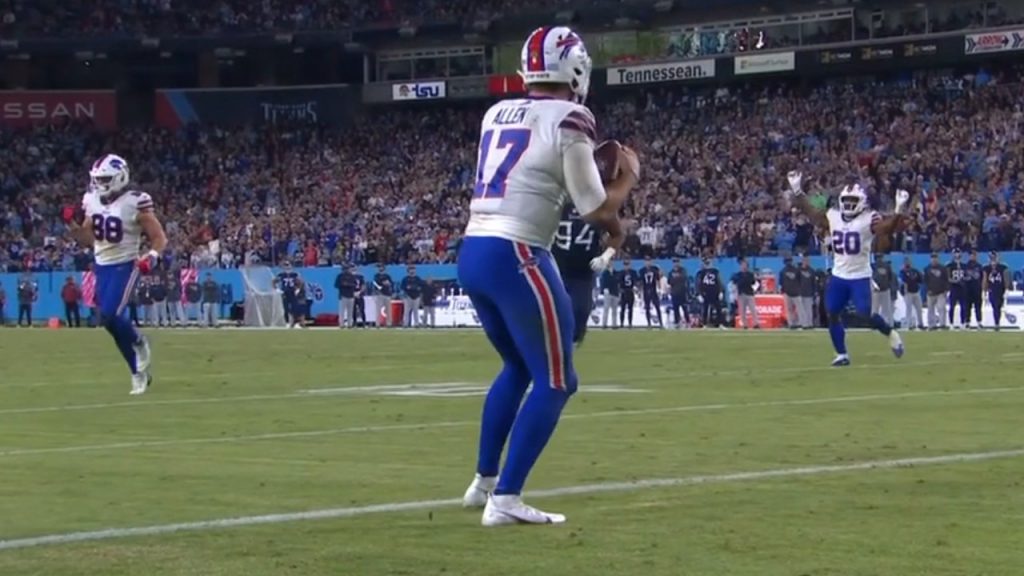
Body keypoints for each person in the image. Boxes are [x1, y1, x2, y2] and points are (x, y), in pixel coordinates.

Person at [457, 25, 638, 526]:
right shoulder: (572, 116)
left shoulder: (497, 112)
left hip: (474, 248)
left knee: (518, 368)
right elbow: (596, 210)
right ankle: (506, 500)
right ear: (576, 69)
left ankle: (483, 482)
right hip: (518, 251)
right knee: (558, 381)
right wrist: (627, 178)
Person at [65, 154, 166, 395]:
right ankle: (137, 372)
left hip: (125, 264)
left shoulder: (136, 201)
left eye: (106, 179)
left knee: (110, 316)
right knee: (108, 323)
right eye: (98, 179)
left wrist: (151, 257)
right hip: (102, 266)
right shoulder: (91, 200)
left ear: (120, 177)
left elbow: (159, 237)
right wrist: (72, 225)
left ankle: (140, 342)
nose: (100, 184)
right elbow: (90, 240)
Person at [786, 171, 904, 366]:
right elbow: (813, 214)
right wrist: (797, 191)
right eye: (846, 199)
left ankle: (890, 332)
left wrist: (899, 210)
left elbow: (887, 229)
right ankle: (841, 354)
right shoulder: (834, 216)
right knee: (832, 312)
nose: (849, 204)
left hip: (860, 275)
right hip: (839, 275)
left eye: (853, 200)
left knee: (865, 314)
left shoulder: (869, 218)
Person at [552, 205, 611, 344]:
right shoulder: (557, 206)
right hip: (557, 268)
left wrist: (606, 255)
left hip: (583, 271)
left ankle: (571, 341)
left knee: (581, 311)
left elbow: (617, 233)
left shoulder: (599, 207)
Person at [983, 251, 1009, 330]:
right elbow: (985, 279)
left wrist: (1007, 289)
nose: (993, 259)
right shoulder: (986, 268)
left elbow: (1005, 278)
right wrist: (984, 290)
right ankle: (996, 323)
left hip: (1000, 289)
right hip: (992, 289)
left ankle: (997, 322)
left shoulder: (1002, 267)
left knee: (998, 306)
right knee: (995, 306)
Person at [731, 257, 760, 329]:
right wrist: (734, 293)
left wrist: (754, 290)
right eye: (742, 265)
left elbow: (755, 283)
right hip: (741, 294)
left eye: (745, 265)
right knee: (742, 311)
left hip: (749, 293)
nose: (743, 266)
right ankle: (744, 324)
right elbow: (734, 284)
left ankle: (756, 323)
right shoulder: (737, 275)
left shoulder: (750, 274)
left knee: (753, 309)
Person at [924, 252, 949, 330]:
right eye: (932, 258)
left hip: (941, 292)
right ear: (930, 259)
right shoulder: (927, 269)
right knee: (930, 309)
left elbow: (946, 280)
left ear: (938, 259)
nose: (934, 259)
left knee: (941, 308)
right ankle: (931, 325)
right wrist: (927, 290)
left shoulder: (943, 268)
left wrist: (946, 290)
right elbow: (925, 281)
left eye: (935, 258)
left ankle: (942, 324)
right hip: (931, 292)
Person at [695, 257, 722, 328]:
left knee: (718, 308)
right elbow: (698, 284)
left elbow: (719, 281)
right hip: (705, 292)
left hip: (714, 292)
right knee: (705, 308)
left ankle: (719, 323)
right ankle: (704, 324)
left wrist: (720, 291)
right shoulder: (701, 273)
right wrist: (699, 294)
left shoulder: (715, 271)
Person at [899, 256, 924, 330]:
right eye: (906, 261)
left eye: (908, 261)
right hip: (908, 292)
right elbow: (904, 282)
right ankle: (909, 324)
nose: (907, 263)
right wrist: (905, 292)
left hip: (916, 291)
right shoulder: (902, 272)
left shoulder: (915, 271)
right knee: (908, 309)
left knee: (919, 309)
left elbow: (920, 279)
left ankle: (920, 323)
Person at [639, 256, 663, 328]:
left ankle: (661, 322)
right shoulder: (642, 270)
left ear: (651, 261)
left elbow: (658, 280)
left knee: (657, 307)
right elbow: (640, 282)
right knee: (647, 307)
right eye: (646, 261)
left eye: (649, 261)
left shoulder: (654, 269)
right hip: (646, 290)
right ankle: (649, 323)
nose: (648, 262)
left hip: (653, 290)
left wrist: (659, 289)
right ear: (644, 262)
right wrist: (640, 292)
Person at [947, 249, 967, 329]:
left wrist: (964, 279)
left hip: (962, 288)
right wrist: (955, 281)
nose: (957, 256)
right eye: (955, 254)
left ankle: (963, 323)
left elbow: (966, 276)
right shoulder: (949, 265)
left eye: (958, 254)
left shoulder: (964, 265)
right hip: (954, 288)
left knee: (963, 307)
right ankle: (951, 323)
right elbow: (948, 278)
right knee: (952, 306)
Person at [964, 250, 984, 329]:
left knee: (978, 307)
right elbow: (963, 277)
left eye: (974, 255)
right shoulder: (965, 266)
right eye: (971, 255)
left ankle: (979, 322)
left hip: (977, 289)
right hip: (968, 290)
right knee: (967, 307)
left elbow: (982, 278)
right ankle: (967, 322)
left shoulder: (979, 266)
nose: (973, 256)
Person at [667, 259, 689, 329]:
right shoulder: (670, 272)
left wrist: (676, 278)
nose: (676, 264)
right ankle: (677, 323)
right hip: (674, 293)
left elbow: (683, 278)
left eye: (677, 262)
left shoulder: (683, 270)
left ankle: (688, 322)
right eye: (674, 262)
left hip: (682, 293)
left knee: (685, 308)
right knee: (676, 309)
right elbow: (670, 282)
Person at [618, 259, 639, 328]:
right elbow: (618, 282)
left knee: (630, 309)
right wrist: (620, 289)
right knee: (622, 309)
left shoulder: (633, 272)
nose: (626, 266)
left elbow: (636, 281)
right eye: (625, 264)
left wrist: (635, 287)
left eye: (627, 264)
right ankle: (621, 323)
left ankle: (630, 323)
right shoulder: (621, 272)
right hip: (624, 292)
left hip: (630, 291)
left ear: (630, 265)